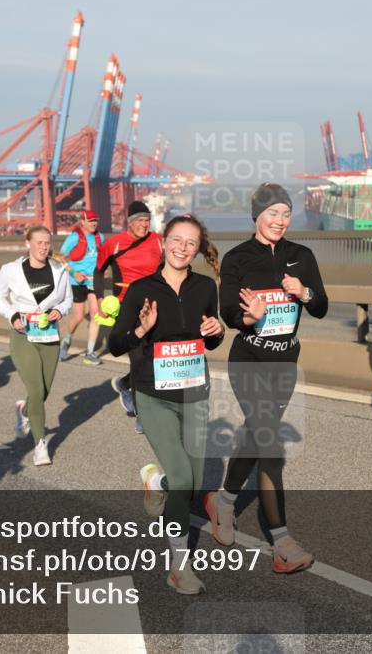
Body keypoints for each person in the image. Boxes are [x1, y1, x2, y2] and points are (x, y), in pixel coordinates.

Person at [204, 182, 328, 575]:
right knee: (269, 441)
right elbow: (227, 311)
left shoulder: (301, 256)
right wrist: (249, 318)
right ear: (257, 216)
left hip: (284, 365)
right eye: (272, 213)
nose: (280, 220)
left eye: (286, 213)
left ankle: (223, 500)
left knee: (256, 436)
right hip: (249, 360)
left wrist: (304, 291)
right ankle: (282, 542)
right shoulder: (238, 258)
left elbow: (322, 306)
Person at [110, 215, 224, 594]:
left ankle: (155, 481)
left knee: (188, 486)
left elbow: (210, 341)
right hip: (154, 394)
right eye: (176, 240)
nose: (182, 248)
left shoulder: (206, 287)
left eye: (191, 243)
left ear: (197, 248)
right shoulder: (142, 289)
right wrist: (141, 329)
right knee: (184, 478)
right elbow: (115, 343)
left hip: (194, 393)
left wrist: (217, 331)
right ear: (163, 241)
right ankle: (179, 567)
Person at [0, 226, 72, 466]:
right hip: (23, 335)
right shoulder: (11, 270)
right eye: (38, 242)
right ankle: (40, 445)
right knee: (36, 390)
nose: (43, 247)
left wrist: (59, 310)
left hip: (49, 336)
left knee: (44, 391)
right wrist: (12, 315)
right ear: (28, 243)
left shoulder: (59, 270)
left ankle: (24, 411)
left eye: (47, 243)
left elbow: (67, 298)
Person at [95, 201, 163, 432]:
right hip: (126, 308)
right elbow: (98, 270)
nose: (144, 225)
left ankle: (125, 383)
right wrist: (100, 297)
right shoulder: (113, 243)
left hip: (153, 307)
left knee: (154, 359)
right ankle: (142, 414)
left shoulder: (158, 240)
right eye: (140, 221)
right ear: (130, 222)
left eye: (147, 220)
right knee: (138, 359)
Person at [57, 210, 105, 365]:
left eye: (95, 220)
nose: (93, 223)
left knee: (95, 314)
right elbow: (59, 256)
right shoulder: (74, 237)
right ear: (83, 222)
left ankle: (90, 353)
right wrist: (73, 272)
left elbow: (104, 256)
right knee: (78, 316)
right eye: (90, 220)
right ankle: (66, 341)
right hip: (76, 281)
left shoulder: (100, 237)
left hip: (93, 281)